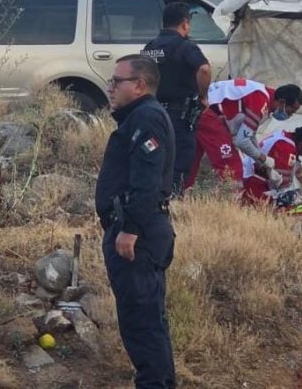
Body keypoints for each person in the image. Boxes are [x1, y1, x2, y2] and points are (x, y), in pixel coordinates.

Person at [95, 54, 176, 388]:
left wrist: (129, 229)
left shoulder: (147, 118)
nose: (110, 87)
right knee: (142, 322)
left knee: (143, 325)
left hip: (138, 235)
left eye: (118, 81)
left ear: (140, 85)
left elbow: (147, 179)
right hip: (134, 229)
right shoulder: (137, 118)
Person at [184, 79, 302, 189]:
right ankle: (229, 206)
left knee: (190, 159)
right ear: (282, 102)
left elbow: (249, 135)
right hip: (210, 114)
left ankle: (178, 195)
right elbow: (241, 140)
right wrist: (264, 159)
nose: (290, 116)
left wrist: (265, 165)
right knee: (232, 168)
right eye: (290, 111)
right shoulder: (260, 100)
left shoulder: (264, 97)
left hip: (202, 110)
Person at [142, 2, 211, 194]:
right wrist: (204, 96)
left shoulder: (150, 47)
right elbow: (204, 69)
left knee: (153, 154)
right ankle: (172, 197)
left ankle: (153, 194)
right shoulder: (185, 46)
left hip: (152, 110)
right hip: (179, 114)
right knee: (179, 157)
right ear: (185, 23)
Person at [242, 123, 302, 204]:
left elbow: (297, 168)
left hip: (252, 179)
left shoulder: (287, 139)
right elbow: (282, 183)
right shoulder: (285, 146)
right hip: (252, 184)